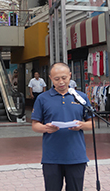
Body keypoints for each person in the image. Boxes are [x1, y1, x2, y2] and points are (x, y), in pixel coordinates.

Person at [31, 63, 92, 191]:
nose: (61, 82)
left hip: (76, 156)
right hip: (52, 157)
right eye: (56, 79)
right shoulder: (42, 98)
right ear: (50, 78)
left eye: (64, 78)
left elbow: (92, 123)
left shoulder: (81, 97)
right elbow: (35, 125)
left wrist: (81, 125)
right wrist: (46, 128)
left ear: (70, 76)